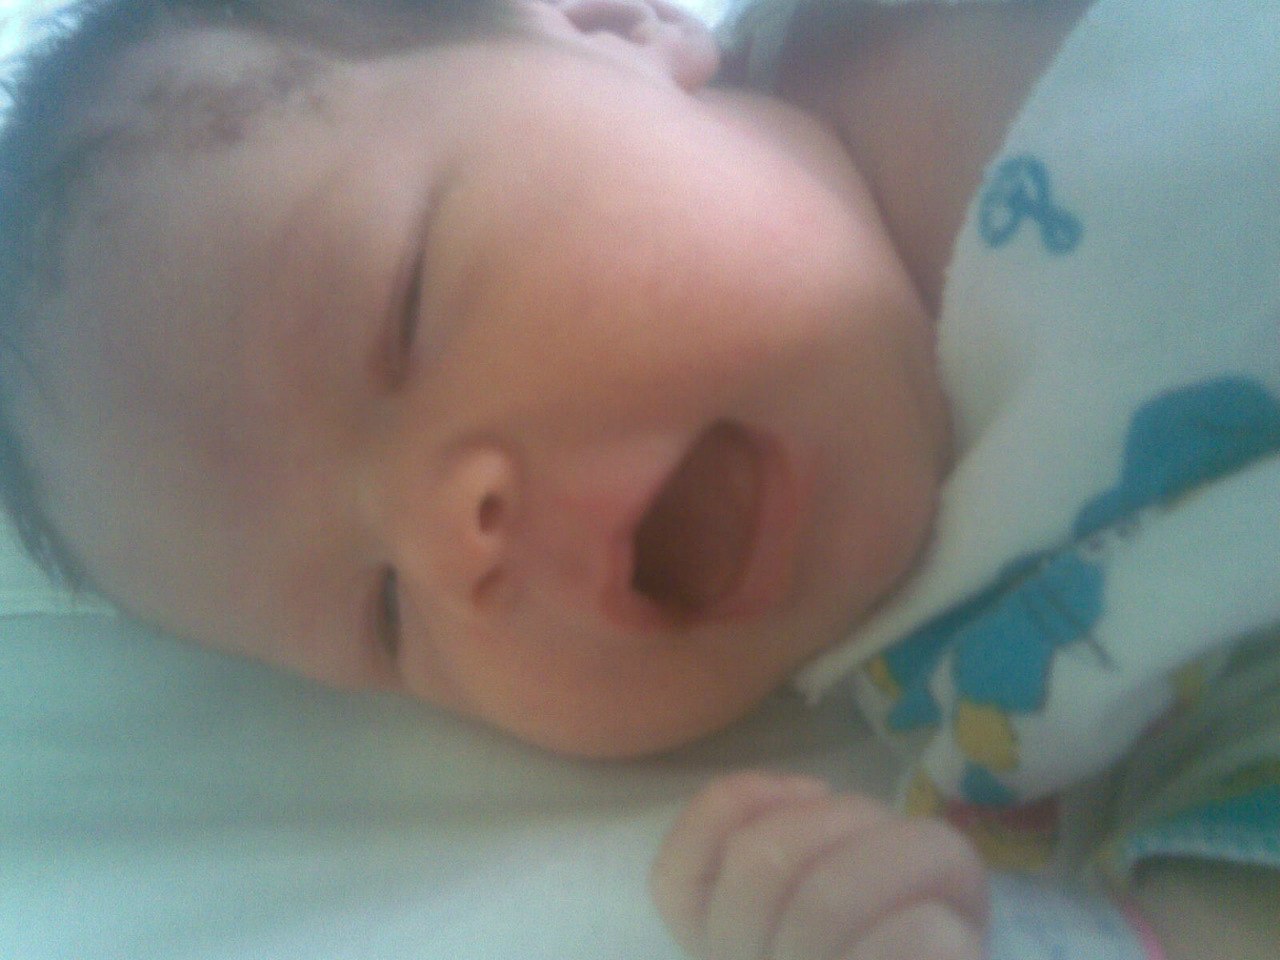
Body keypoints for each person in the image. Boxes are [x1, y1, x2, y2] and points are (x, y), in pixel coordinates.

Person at [0, 0, 1274, 957]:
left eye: (406, 310)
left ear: (612, 27)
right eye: (385, 615)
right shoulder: (999, 694)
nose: (451, 545)